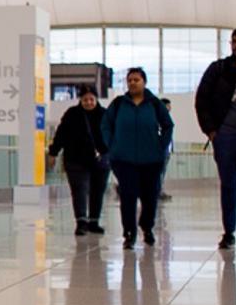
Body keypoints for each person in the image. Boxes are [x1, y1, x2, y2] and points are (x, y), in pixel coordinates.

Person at [103, 67, 174, 250]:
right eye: (130, 80)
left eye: (136, 80)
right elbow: (106, 125)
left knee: (150, 197)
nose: (133, 83)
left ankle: (147, 227)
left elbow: (168, 125)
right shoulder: (119, 104)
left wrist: (160, 146)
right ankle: (129, 233)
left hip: (151, 159)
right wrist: (112, 145)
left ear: (144, 82)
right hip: (124, 160)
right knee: (128, 197)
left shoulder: (154, 104)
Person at [195, 28, 236, 249]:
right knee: (228, 185)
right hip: (225, 136)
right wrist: (212, 132)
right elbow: (202, 100)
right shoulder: (219, 69)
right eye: (234, 41)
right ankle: (229, 232)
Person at [47, 87, 109, 236]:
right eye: (85, 100)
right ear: (80, 100)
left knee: (97, 191)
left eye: (91, 99)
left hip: (100, 160)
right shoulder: (72, 114)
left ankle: (94, 221)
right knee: (79, 190)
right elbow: (61, 134)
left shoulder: (105, 115)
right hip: (75, 159)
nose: (88, 102)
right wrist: (53, 152)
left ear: (96, 99)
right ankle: (81, 222)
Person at [159, 98, 174, 202]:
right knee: (159, 172)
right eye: (168, 105)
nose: (170, 107)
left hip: (166, 151)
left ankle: (159, 190)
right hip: (160, 151)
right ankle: (158, 192)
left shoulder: (167, 118)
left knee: (162, 173)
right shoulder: (159, 119)